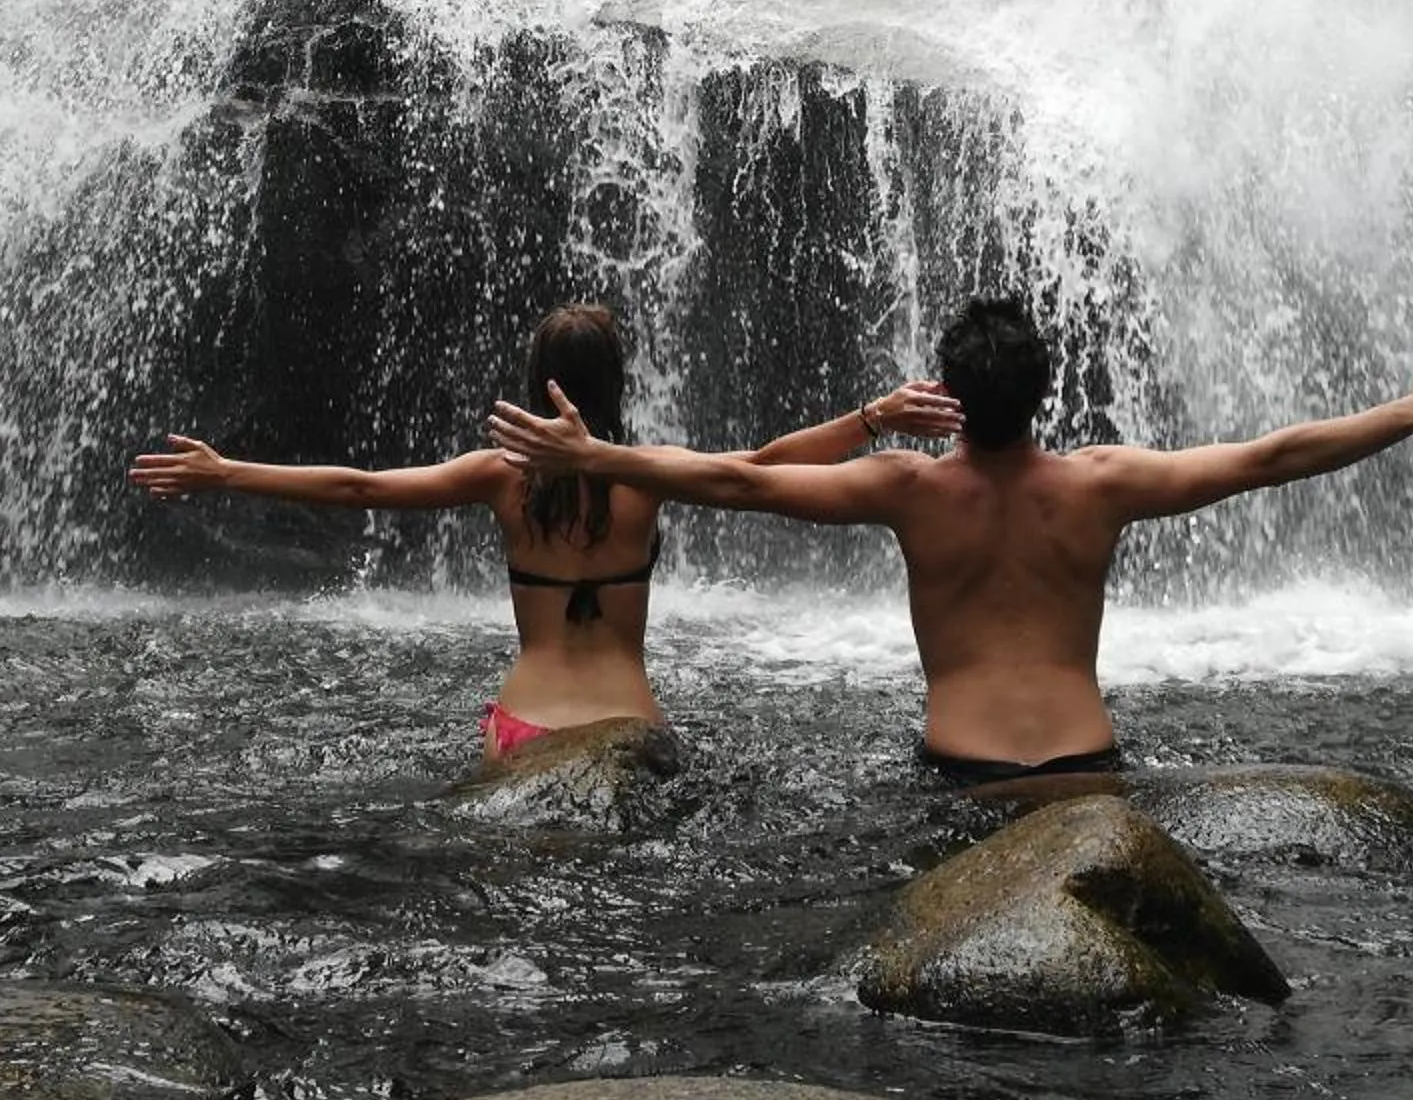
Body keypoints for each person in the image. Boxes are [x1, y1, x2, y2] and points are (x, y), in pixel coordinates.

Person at [487, 298, 1413, 783]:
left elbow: (738, 480)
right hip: (1087, 762)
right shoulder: (1103, 483)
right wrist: (1412, 411)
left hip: (958, 770)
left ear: (950, 396)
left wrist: (597, 456)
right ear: (1044, 393)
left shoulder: (907, 488)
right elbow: (1270, 457)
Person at [129, 302, 963, 761]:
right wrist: (872, 418)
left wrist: (226, 472)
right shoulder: (644, 476)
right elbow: (763, 465)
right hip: (631, 733)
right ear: (617, 385)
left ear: (538, 384)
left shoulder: (501, 477)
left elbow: (360, 487)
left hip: (520, 731)